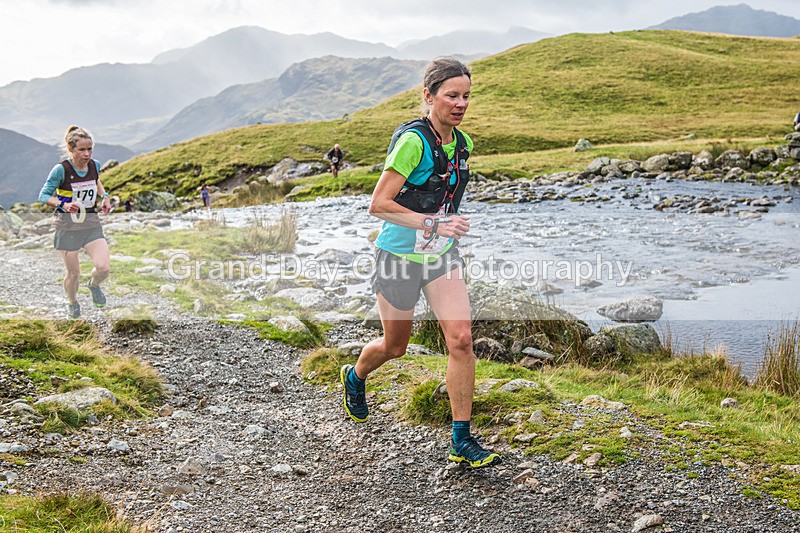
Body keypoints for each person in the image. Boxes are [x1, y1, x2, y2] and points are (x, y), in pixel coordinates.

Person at [340, 58, 501, 468]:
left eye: (466, 95)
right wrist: (434, 222)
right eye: (451, 95)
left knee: (461, 339)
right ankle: (356, 377)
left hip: (440, 256)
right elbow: (378, 204)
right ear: (428, 96)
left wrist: (446, 226)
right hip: (396, 257)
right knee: (396, 346)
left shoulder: (462, 143)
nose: (461, 103)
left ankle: (461, 440)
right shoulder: (413, 142)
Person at [38, 126, 111, 319]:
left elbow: (95, 180)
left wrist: (104, 196)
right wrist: (64, 204)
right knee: (74, 274)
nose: (87, 154)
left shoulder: (94, 165)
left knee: (103, 268)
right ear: (71, 149)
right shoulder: (61, 170)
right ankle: (72, 302)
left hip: (91, 223)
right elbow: (44, 195)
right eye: (82, 150)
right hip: (68, 227)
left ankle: (93, 285)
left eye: (90, 149)